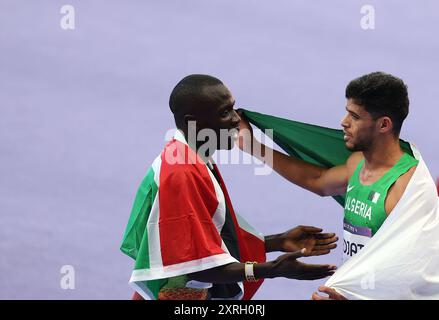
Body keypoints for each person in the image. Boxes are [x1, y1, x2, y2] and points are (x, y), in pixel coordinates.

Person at [120, 74, 338, 300]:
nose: (236, 119)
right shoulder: (181, 174)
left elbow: (208, 240)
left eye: (233, 108)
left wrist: (278, 242)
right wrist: (271, 269)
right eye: (225, 113)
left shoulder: (193, 158)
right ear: (192, 122)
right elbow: (197, 266)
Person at [238, 72, 420, 300]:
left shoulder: (405, 187)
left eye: (354, 116)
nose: (344, 122)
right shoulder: (358, 164)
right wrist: (253, 147)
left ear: (384, 124)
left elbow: (412, 274)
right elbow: (319, 181)